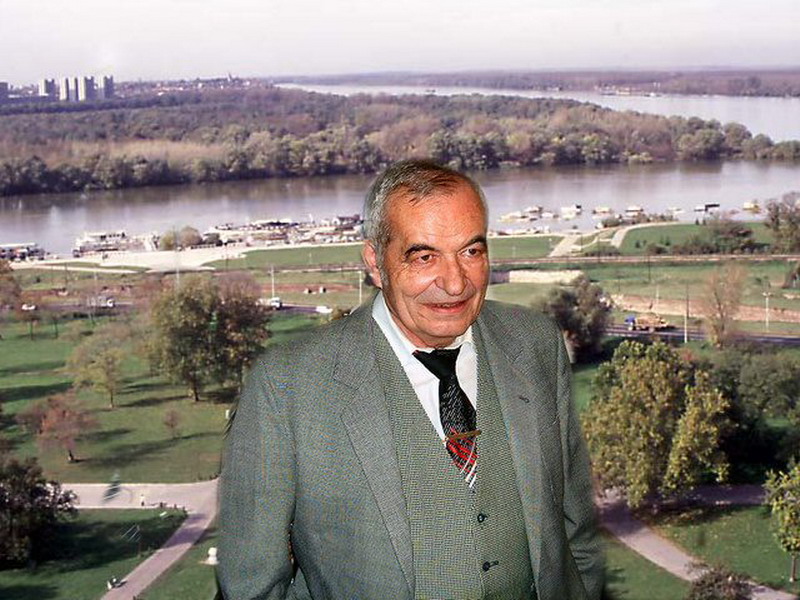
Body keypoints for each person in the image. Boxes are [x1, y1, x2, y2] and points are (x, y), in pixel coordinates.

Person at [219, 159, 603, 599]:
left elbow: (576, 527)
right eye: (424, 257)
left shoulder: (535, 342)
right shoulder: (284, 386)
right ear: (375, 263)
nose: (455, 283)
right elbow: (250, 585)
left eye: (471, 252)